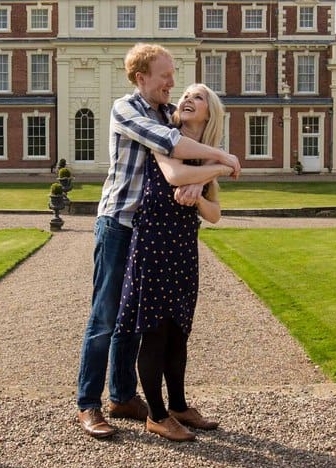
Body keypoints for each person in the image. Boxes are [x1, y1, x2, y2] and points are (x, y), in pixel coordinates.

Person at [75, 44, 239, 439]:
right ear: (141, 77)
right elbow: (174, 151)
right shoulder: (126, 109)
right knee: (105, 317)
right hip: (118, 223)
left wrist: (204, 176)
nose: (172, 82)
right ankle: (88, 404)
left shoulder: (169, 113)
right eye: (165, 75)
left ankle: (123, 395)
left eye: (173, 74)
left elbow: (189, 158)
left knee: (133, 321)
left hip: (149, 230)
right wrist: (224, 159)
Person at [116, 82, 226, 442]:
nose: (187, 100)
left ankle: (179, 405)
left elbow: (214, 214)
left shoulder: (208, 156)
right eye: (186, 96)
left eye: (198, 97)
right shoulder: (165, 136)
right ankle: (158, 416)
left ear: (210, 111)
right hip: (153, 242)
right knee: (155, 332)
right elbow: (175, 176)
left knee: (179, 332)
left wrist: (200, 192)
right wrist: (222, 166)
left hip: (182, 247)